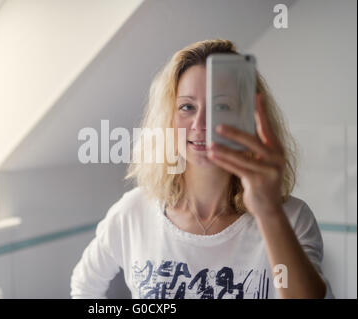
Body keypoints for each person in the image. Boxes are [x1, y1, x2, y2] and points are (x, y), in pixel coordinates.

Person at [70, 39, 334, 299]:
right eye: (187, 107)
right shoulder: (133, 211)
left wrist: (269, 212)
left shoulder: (291, 218)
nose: (201, 123)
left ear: (248, 120)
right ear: (168, 118)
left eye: (222, 107)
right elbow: (84, 288)